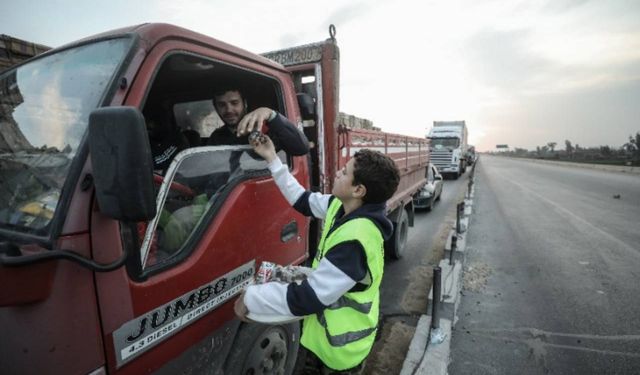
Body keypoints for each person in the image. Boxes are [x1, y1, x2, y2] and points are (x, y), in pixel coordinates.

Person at [234, 135, 400, 374]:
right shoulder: (341, 206)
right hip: (322, 337)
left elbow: (308, 298)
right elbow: (301, 199)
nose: (338, 174)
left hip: (339, 352)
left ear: (358, 189)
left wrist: (251, 299)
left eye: (344, 172)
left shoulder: (356, 239)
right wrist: (272, 158)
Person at [207, 86, 308, 156]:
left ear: (245, 104)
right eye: (221, 105)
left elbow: (301, 148)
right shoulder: (216, 137)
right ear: (216, 108)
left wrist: (271, 114)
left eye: (234, 103)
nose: (228, 110)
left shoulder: (264, 129)